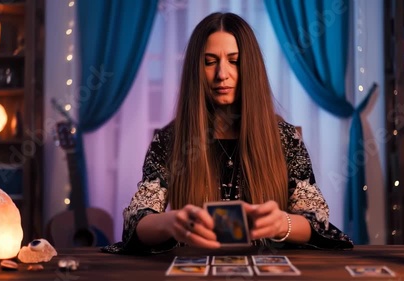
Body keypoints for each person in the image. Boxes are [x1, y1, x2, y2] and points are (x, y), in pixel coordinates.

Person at [102, 12, 353, 254]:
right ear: (195, 70)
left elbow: (316, 220)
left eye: (234, 61)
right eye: (210, 62)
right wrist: (170, 223)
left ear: (250, 67)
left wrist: (281, 223)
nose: (222, 74)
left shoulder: (284, 138)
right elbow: (137, 220)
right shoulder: (170, 139)